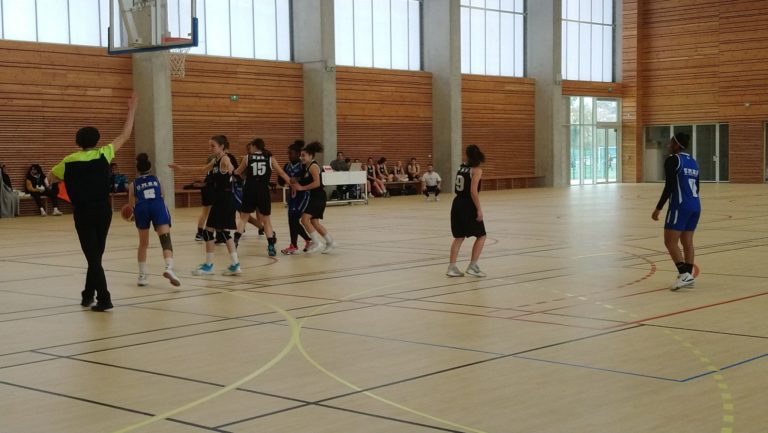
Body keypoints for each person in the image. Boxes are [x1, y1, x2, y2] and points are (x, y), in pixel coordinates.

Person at [47, 93, 139, 311]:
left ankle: (104, 298)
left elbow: (50, 178)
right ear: (96, 141)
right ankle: (88, 294)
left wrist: (68, 178)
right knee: (95, 254)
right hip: (103, 211)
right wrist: (132, 109)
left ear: (77, 142)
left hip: (83, 212)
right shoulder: (103, 154)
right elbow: (125, 135)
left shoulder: (68, 161)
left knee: (93, 256)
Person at [170, 135, 241, 276]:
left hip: (224, 199)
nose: (210, 148)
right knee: (224, 233)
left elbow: (232, 168)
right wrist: (181, 168)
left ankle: (209, 266)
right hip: (223, 199)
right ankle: (235, 265)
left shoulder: (225, 159)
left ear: (221, 146)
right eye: (209, 145)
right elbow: (202, 169)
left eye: (213, 145)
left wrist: (231, 169)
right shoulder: (215, 161)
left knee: (208, 232)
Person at [652, 132, 700, 291]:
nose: (668, 145)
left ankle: (684, 275)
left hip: (680, 206)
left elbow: (670, 186)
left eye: (671, 142)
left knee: (670, 242)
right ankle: (688, 276)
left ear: (677, 145)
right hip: (695, 205)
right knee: (687, 242)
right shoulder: (693, 162)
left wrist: (658, 208)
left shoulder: (673, 160)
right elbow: (697, 186)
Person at [128, 153, 181, 287]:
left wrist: (132, 215)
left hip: (142, 209)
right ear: (150, 167)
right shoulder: (157, 179)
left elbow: (131, 205)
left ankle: (142, 276)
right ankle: (169, 268)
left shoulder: (133, 184)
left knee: (143, 244)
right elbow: (163, 195)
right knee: (165, 240)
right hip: (157, 206)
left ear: (137, 169)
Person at [233, 138, 291, 256]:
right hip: (263, 190)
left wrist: (232, 171)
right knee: (266, 220)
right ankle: (271, 246)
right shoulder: (270, 158)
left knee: (243, 218)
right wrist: (292, 183)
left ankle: (235, 242)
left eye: (251, 146)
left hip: (249, 189)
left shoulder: (247, 158)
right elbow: (281, 173)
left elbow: (237, 172)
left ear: (254, 146)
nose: (250, 148)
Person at [447, 145, 487, 278]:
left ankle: (452, 268)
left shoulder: (461, 167)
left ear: (467, 155)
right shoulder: (476, 170)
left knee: (459, 237)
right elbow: (473, 191)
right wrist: (479, 209)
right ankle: (473, 266)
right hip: (468, 204)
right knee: (481, 235)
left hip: (457, 202)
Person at [291, 141, 335, 254]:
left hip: (318, 197)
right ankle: (330, 242)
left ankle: (316, 243)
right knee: (314, 222)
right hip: (314, 197)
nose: (301, 157)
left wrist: (302, 188)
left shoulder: (313, 166)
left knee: (304, 219)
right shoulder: (306, 167)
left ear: (311, 156)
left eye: (303, 155)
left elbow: (317, 183)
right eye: (301, 155)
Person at [279, 140, 312, 254]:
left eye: (291, 153)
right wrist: (281, 177)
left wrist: (297, 179)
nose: (289, 155)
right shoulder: (287, 165)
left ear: (298, 154)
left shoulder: (303, 165)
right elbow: (281, 181)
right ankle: (299, 243)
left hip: (303, 195)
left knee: (293, 219)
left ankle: (300, 243)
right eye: (288, 153)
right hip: (292, 195)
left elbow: (308, 179)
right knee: (291, 220)